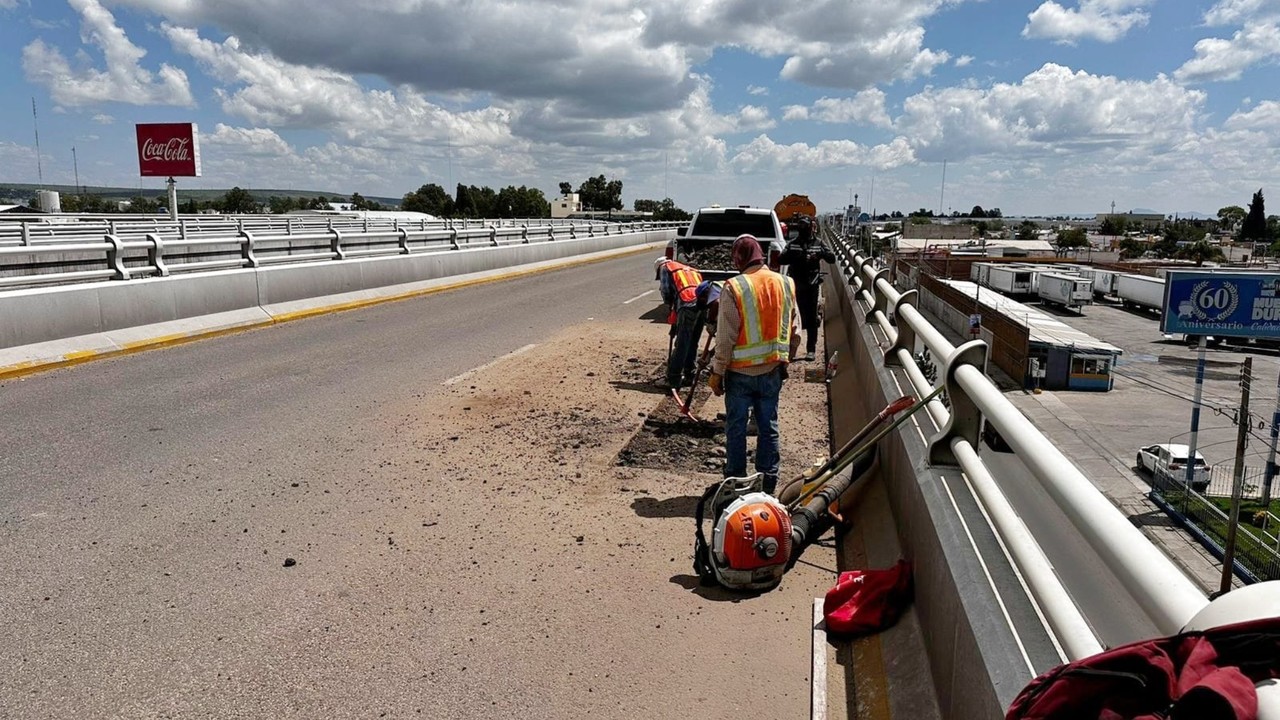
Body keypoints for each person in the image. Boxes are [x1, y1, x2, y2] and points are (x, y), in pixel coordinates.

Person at [707, 235, 800, 495]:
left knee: (736, 427)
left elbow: (725, 337)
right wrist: (787, 358)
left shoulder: (734, 286)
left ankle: (736, 480)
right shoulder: (785, 283)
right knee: (768, 426)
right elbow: (795, 330)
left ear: (738, 259)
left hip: (740, 373)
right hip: (772, 369)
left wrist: (717, 371)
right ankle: (767, 482)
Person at [779, 215, 835, 361]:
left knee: (811, 319)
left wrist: (819, 255)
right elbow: (781, 259)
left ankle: (811, 350)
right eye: (801, 225)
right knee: (791, 318)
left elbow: (832, 258)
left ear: (811, 227)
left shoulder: (818, 243)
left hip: (811, 286)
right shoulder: (793, 244)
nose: (803, 228)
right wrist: (795, 256)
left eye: (805, 225)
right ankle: (789, 349)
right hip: (795, 286)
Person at [655, 257, 704, 388]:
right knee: (692, 342)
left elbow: (666, 292)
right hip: (702, 306)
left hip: (687, 304)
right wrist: (675, 324)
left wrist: (669, 305)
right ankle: (690, 376)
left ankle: (673, 379)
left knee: (682, 344)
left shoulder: (666, 267)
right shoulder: (690, 270)